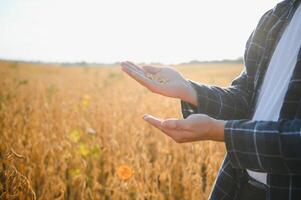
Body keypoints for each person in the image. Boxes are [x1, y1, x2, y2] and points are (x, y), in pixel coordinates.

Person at [120, 0, 301, 199]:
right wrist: (190, 90)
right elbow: (245, 98)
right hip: (239, 186)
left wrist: (221, 131)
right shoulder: (276, 17)